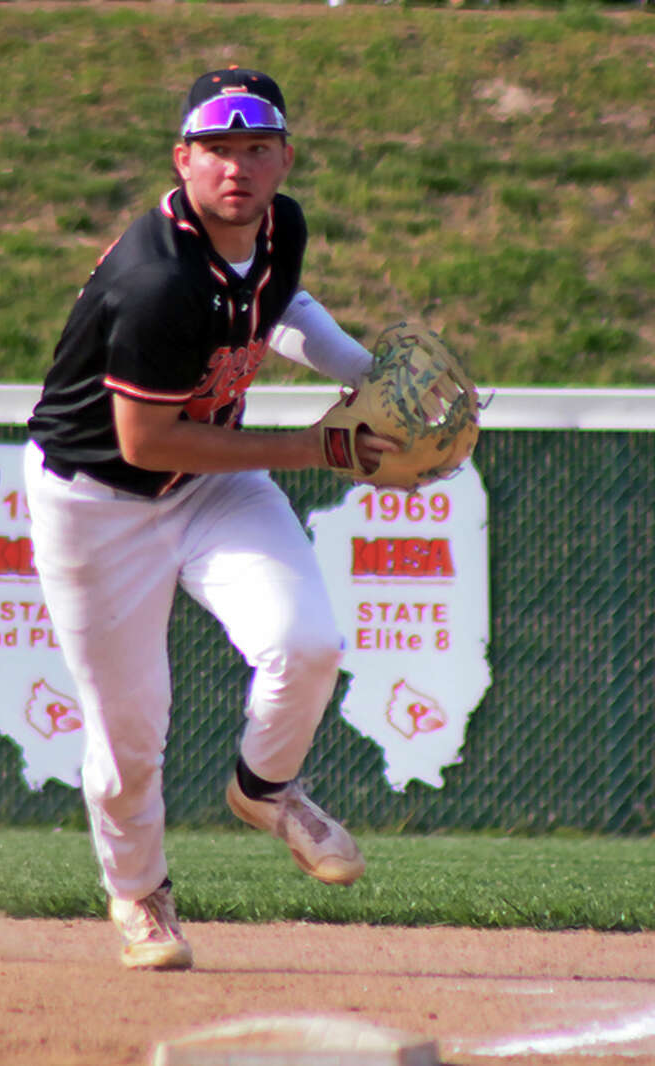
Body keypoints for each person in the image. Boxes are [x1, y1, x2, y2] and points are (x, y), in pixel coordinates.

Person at [24, 67, 403, 971]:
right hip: (98, 502)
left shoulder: (280, 225)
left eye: (256, 148)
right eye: (218, 149)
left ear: (284, 158)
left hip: (210, 486)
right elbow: (150, 442)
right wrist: (314, 450)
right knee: (130, 737)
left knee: (307, 642)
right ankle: (138, 895)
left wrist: (364, 375)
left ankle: (266, 789)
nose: (237, 167)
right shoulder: (156, 280)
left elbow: (277, 308)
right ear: (182, 158)